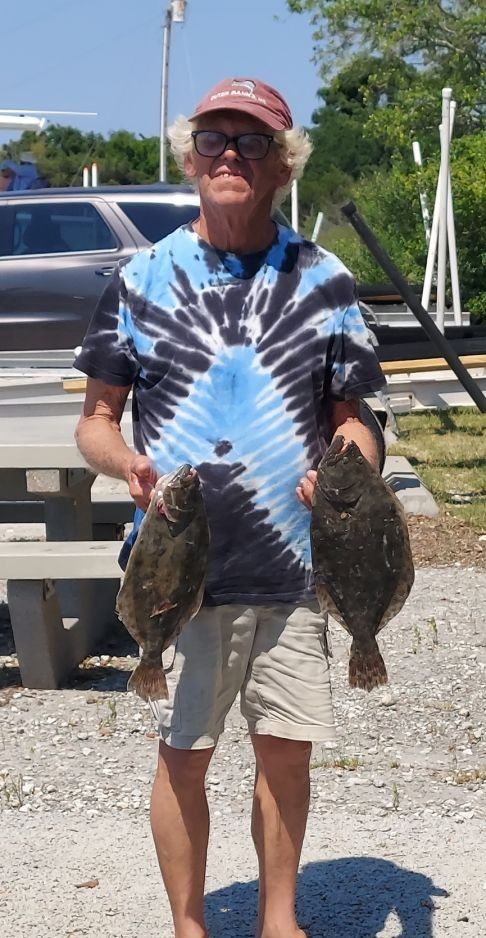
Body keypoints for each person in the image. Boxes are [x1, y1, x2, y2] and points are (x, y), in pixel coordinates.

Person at [74, 76, 387, 938]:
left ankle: (278, 921)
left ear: (283, 164)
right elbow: (94, 420)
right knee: (187, 754)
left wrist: (347, 473)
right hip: (181, 571)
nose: (229, 156)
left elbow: (355, 418)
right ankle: (188, 924)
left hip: (295, 563)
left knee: (285, 756)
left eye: (252, 142)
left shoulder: (325, 280)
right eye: (213, 139)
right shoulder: (143, 275)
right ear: (188, 157)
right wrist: (128, 464)